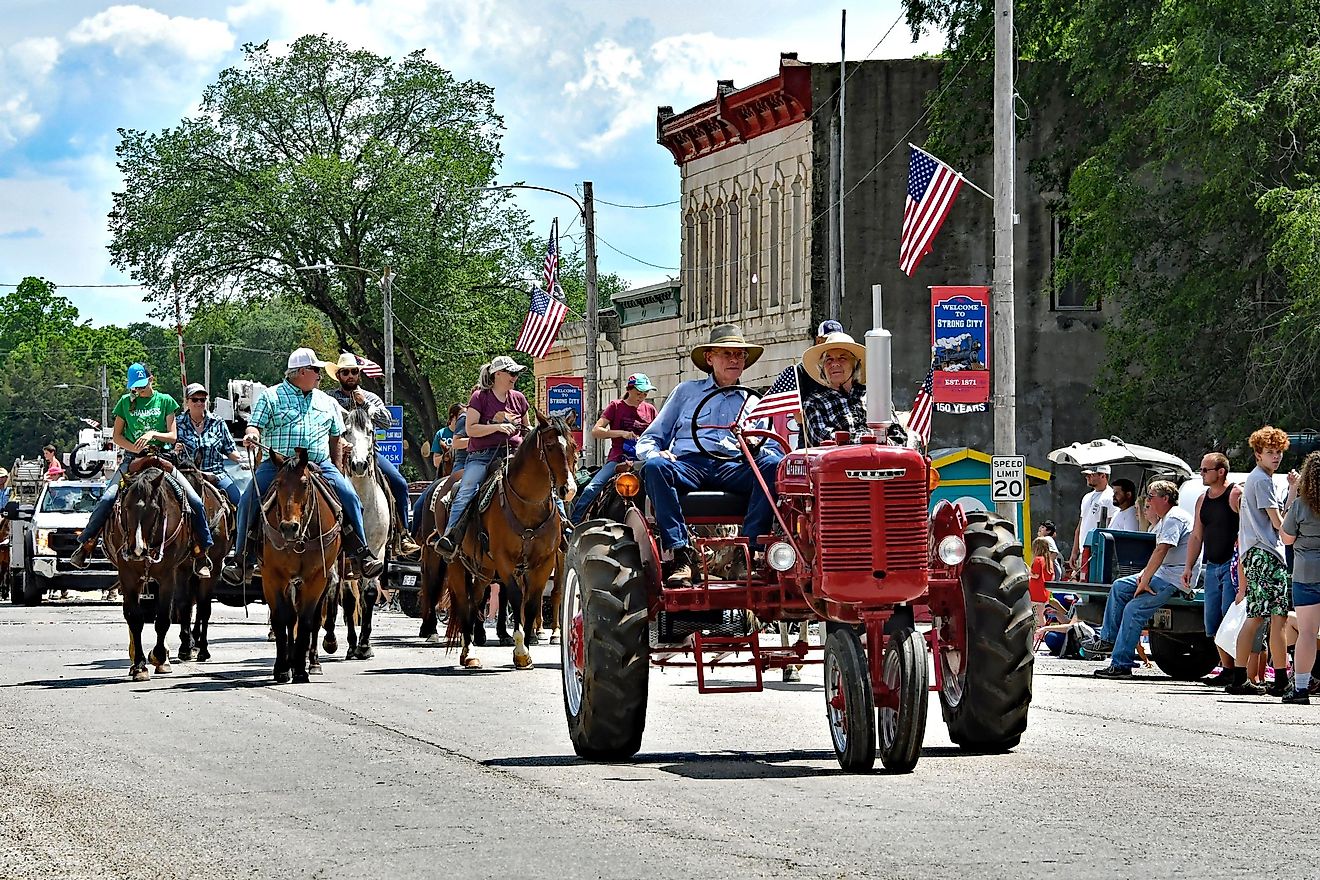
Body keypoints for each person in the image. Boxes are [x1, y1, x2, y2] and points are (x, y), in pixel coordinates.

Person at [637, 323, 785, 587]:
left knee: (773, 464)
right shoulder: (686, 392)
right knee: (655, 467)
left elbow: (772, 447)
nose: (734, 359)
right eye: (726, 353)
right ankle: (681, 554)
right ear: (710, 358)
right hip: (690, 465)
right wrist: (657, 453)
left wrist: (756, 445)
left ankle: (747, 553)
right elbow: (651, 437)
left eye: (739, 355)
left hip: (734, 466)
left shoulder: (753, 401)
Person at [221, 349, 384, 584]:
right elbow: (255, 426)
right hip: (279, 465)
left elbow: (336, 438)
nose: (319, 376)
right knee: (249, 499)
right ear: (301, 372)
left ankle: (361, 554)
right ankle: (242, 558)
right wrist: (251, 435)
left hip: (318, 464)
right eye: (316, 370)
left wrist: (337, 470)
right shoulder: (271, 396)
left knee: (350, 496)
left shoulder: (326, 401)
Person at [69, 363, 213, 576]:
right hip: (132, 460)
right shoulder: (125, 403)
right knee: (108, 498)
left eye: (142, 384)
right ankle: (86, 544)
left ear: (151, 379)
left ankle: (201, 552)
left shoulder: (165, 401)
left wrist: (153, 434)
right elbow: (117, 436)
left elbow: (173, 437)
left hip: (162, 458)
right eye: (135, 385)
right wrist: (135, 447)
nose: (138, 389)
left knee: (194, 500)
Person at [1085, 480, 1197, 678]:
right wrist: (1144, 575)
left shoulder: (1174, 518)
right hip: (1162, 573)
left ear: (1165, 499)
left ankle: (1121, 665)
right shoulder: (1164, 520)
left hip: (1174, 578)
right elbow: (1157, 553)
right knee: (1119, 586)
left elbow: (1162, 550)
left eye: (1151, 497)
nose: (1148, 501)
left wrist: (1145, 580)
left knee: (1133, 610)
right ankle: (1108, 640)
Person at [435, 356, 533, 559]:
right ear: (498, 374)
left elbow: (527, 428)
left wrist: (533, 432)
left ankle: (563, 527)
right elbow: (470, 429)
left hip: (513, 454)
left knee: (543, 481)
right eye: (511, 373)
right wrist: (497, 426)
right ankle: (450, 537)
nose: (515, 377)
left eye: (516, 374)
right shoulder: (479, 398)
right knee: (467, 489)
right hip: (482, 456)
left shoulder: (519, 398)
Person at [1227, 426, 1297, 696]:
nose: (1276, 457)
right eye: (1270, 452)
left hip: (1256, 553)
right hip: (1266, 553)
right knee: (1271, 617)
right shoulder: (1262, 481)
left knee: (1261, 617)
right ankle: (1275, 678)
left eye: (1278, 452)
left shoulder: (1258, 479)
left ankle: (1243, 676)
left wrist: (1290, 492)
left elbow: (1277, 516)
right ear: (1258, 454)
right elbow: (1280, 524)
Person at [329, 353, 421, 557]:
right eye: (345, 372)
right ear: (339, 376)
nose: (350, 375)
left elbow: (387, 422)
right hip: (336, 456)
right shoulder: (330, 399)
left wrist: (365, 405)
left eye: (354, 371)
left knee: (399, 483)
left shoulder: (371, 398)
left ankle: (402, 534)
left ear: (359, 374)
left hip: (371, 455)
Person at [1183, 452, 1243, 686]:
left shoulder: (1235, 494)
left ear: (1221, 472)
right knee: (1212, 621)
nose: (1202, 474)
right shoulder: (1202, 499)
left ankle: (1235, 670)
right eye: (1201, 470)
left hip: (1232, 565)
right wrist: (1189, 566)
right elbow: (1197, 535)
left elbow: (1247, 530)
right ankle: (1226, 667)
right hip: (1211, 566)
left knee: (1231, 619)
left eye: (1205, 470)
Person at [570, 373, 658, 523]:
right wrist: (621, 433)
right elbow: (596, 430)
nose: (641, 397)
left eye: (645, 393)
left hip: (644, 458)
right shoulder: (616, 406)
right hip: (618, 458)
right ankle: (574, 523)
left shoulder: (650, 409)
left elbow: (659, 431)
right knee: (593, 487)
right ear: (629, 389)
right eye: (638, 393)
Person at [1279, 450, 1320, 704]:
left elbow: (1286, 538)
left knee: (1307, 633)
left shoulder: (1301, 506)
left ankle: (1301, 689)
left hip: (1306, 574)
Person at [175, 382, 247, 507]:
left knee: (239, 502)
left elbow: (230, 450)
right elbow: (169, 449)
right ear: (187, 402)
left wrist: (244, 460)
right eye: (194, 399)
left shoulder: (218, 422)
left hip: (216, 475)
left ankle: (242, 526)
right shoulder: (177, 423)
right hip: (187, 476)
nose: (199, 403)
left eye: (202, 400)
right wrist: (175, 450)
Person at [800, 330, 867, 445]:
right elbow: (822, 440)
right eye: (829, 359)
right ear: (823, 368)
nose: (835, 364)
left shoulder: (874, 395)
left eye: (842, 358)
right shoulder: (814, 402)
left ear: (855, 364)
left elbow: (898, 435)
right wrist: (870, 440)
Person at [1069, 465, 1115, 579]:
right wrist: (1075, 551)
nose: (1087, 477)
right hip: (1083, 550)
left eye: (1091, 475)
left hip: (1096, 551)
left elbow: (1110, 526)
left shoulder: (1110, 496)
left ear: (1103, 475)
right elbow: (1081, 524)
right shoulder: (1087, 497)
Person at [431, 404, 462, 471]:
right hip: (445, 472)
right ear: (453, 416)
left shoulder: (467, 434)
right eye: (461, 415)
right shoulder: (441, 434)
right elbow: (436, 462)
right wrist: (449, 455)